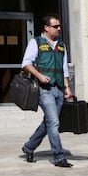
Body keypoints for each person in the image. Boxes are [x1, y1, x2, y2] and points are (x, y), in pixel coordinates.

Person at [20, 14, 74, 168]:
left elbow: (64, 68)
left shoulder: (61, 45)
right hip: (44, 90)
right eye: (55, 26)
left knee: (49, 122)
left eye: (59, 26)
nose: (59, 28)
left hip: (59, 89)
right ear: (46, 28)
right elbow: (26, 63)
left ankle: (29, 147)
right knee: (54, 122)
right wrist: (39, 76)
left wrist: (67, 87)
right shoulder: (36, 42)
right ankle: (58, 156)